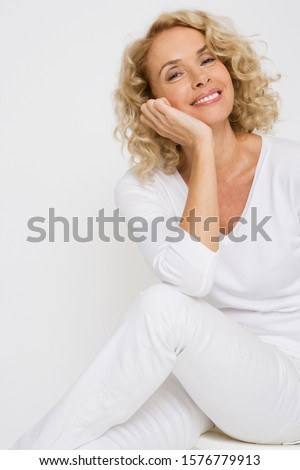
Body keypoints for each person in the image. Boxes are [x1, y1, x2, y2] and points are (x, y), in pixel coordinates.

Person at [11, 9, 300, 450]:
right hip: (208, 378)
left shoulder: (290, 167)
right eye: (175, 73)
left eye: (207, 60)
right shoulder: (142, 188)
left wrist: (201, 144)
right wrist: (202, 149)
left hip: (287, 389)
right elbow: (192, 276)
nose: (200, 78)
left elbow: (180, 295)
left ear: (227, 67)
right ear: (153, 104)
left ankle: (18, 458)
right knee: (96, 445)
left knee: (163, 305)